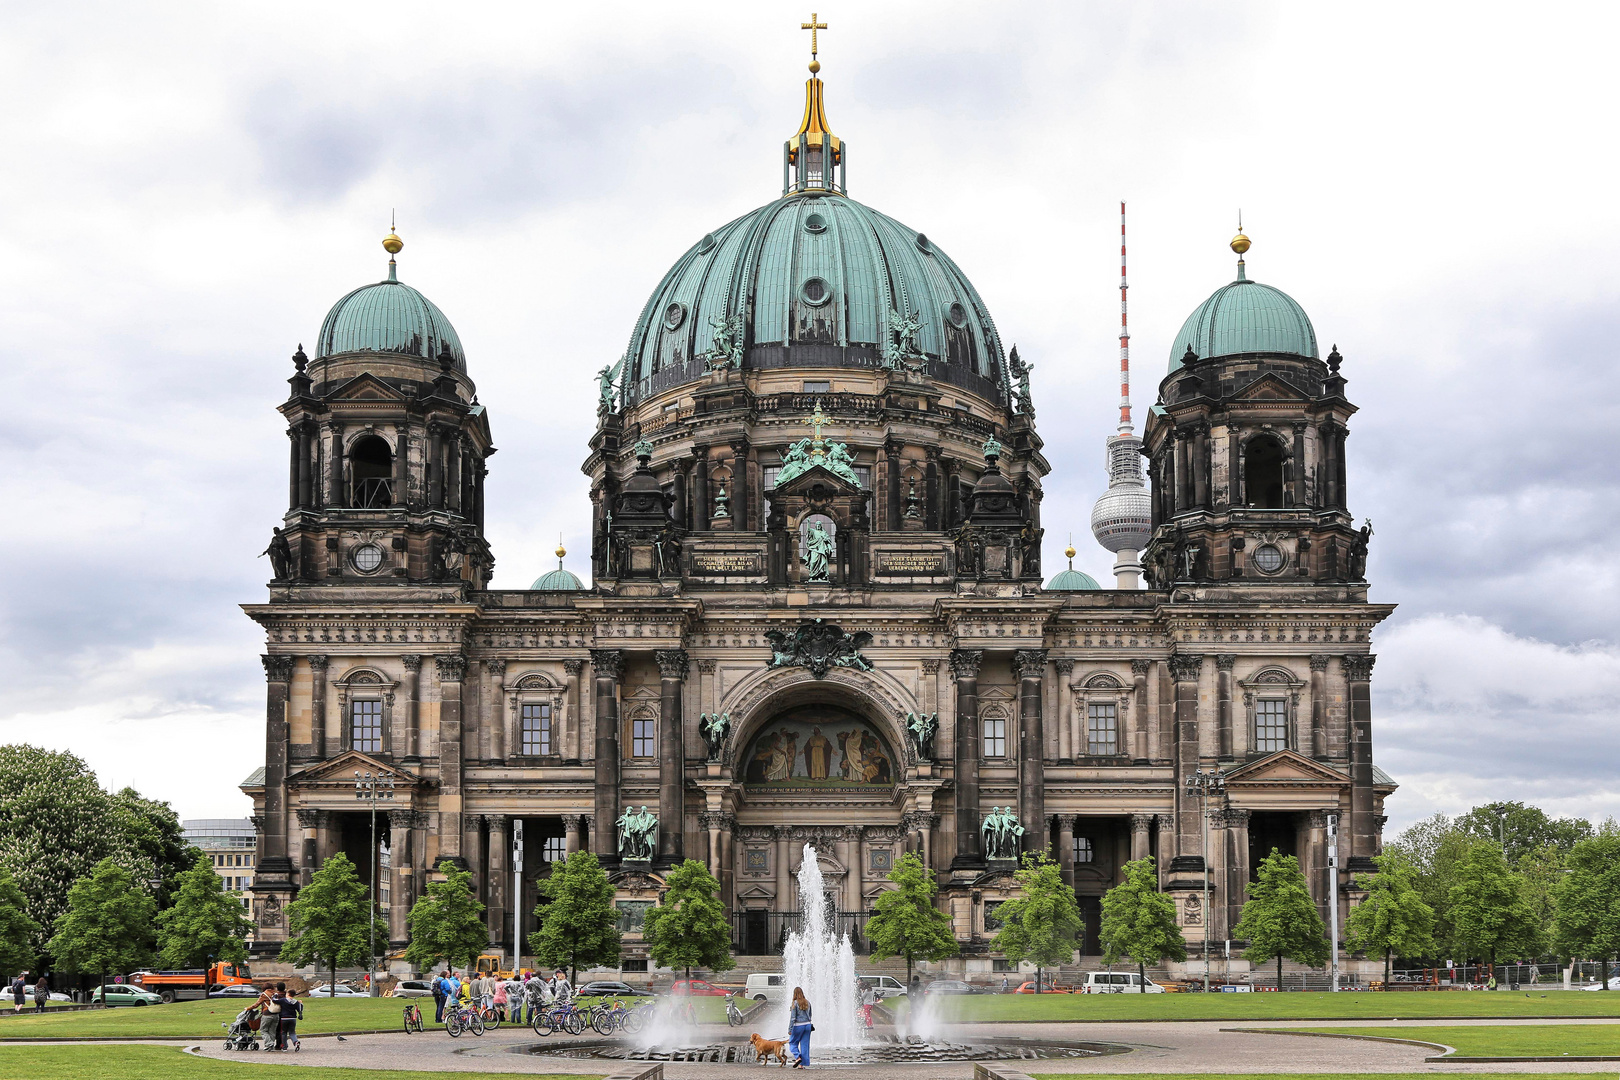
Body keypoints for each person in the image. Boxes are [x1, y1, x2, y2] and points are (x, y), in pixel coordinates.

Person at [787, 986, 813, 1068]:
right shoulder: (807, 1002)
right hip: (808, 1025)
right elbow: (810, 1015)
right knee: (805, 1045)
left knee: (792, 1042)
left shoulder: (795, 1003)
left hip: (798, 1025)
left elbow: (793, 1018)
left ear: (794, 994)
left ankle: (798, 1057)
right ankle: (802, 1064)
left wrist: (790, 1029)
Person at [274, 983, 300, 1051]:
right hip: (293, 1018)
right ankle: (295, 1042)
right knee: (292, 1032)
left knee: (283, 1032)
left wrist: (274, 996)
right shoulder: (296, 1002)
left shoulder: (283, 1000)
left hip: (284, 1018)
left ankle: (284, 1046)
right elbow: (300, 1008)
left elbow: (274, 1001)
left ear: (288, 994)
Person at [262, 984, 284, 1051]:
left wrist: (248, 1008)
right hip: (277, 1014)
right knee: (272, 1031)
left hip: (267, 1014)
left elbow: (257, 1004)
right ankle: (272, 1045)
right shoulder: (277, 994)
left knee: (263, 1030)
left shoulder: (264, 995)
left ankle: (269, 1044)